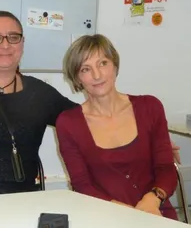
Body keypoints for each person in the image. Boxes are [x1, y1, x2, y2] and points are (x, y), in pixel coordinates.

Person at [0, 11, 181, 199]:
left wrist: (150, 140)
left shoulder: (39, 93)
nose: (5, 45)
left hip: (20, 201)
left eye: (13, 37)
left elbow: (87, 120)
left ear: (22, 44)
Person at [55, 34, 178, 220]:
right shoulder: (68, 123)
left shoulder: (150, 107)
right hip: (105, 217)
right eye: (86, 69)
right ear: (77, 78)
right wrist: (127, 213)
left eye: (103, 63)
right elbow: (82, 185)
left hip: (156, 213)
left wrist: (153, 199)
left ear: (115, 65)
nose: (97, 75)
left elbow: (166, 169)